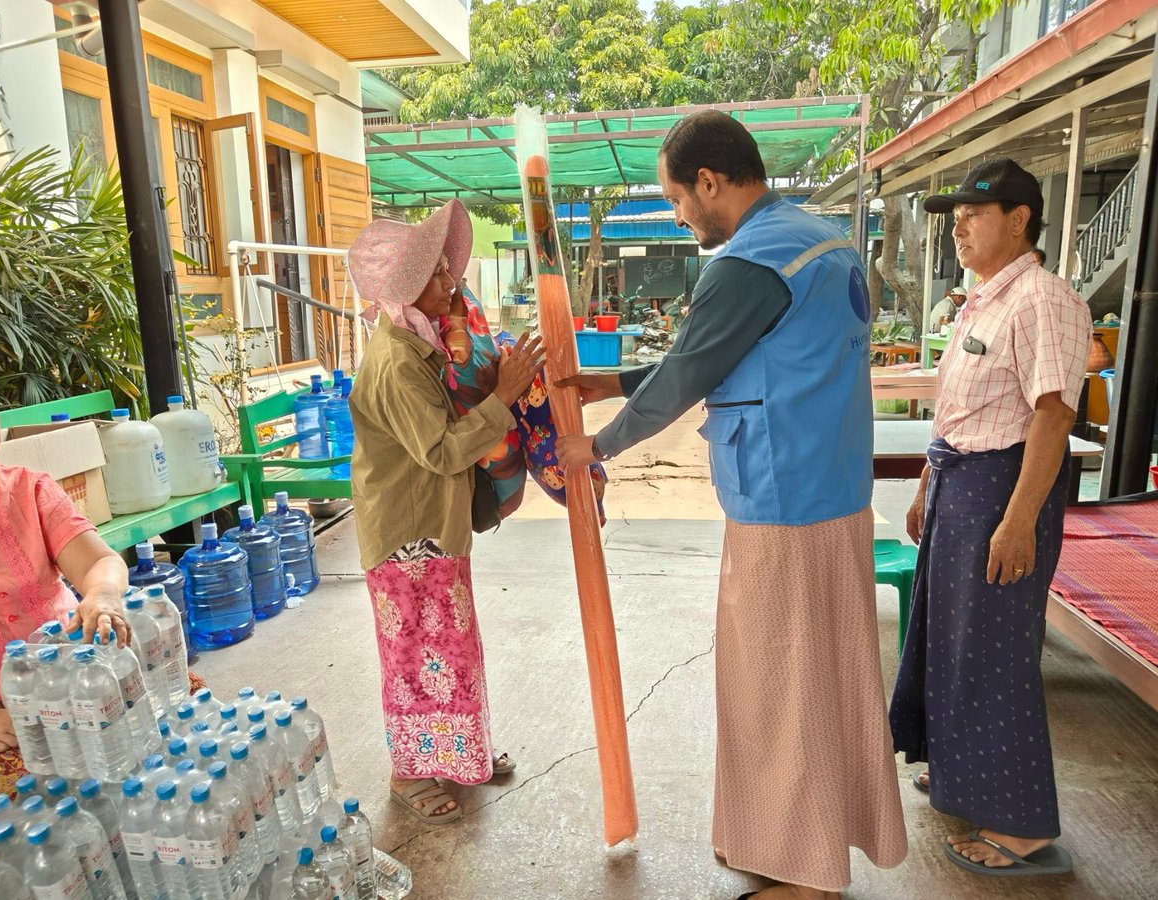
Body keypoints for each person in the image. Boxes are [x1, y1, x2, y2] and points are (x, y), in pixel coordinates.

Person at [555, 110, 906, 900]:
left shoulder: (749, 261)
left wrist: (597, 444)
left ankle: (809, 874)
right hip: (833, 492)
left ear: (710, 182)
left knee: (782, 686)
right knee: (812, 676)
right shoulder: (819, 239)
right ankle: (785, 841)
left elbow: (688, 376)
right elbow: (724, 354)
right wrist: (611, 380)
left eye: (678, 198)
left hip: (785, 505)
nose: (680, 215)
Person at [889, 158, 1091, 877]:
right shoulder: (981, 301)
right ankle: (961, 776)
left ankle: (1022, 823)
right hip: (958, 481)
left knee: (995, 652)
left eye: (976, 212)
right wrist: (923, 488)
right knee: (948, 640)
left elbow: (1053, 415)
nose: (961, 227)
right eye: (954, 218)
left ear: (1020, 218)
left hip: (1005, 491)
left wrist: (1017, 522)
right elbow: (960, 410)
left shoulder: (1044, 298)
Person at [347, 200, 545, 825]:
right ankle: (410, 772)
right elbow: (440, 450)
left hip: (431, 533)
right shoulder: (399, 360)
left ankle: (461, 754)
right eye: (435, 275)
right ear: (407, 288)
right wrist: (506, 397)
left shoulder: (421, 342)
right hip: (409, 536)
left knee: (450, 650)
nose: (449, 282)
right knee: (413, 658)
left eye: (444, 270)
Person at [0, 363, 133, 819]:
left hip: (70, 672)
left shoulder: (28, 489)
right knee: (29, 799)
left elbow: (99, 561)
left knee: (172, 709)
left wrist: (102, 596)